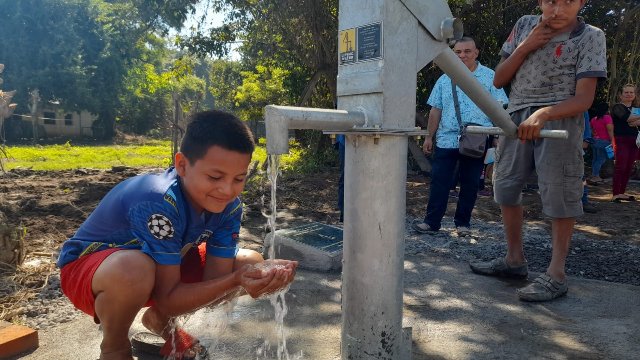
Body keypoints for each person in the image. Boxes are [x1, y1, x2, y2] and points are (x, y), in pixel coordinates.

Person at [56, 110, 298, 360]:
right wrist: (236, 280)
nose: (227, 190)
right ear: (182, 165)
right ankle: (114, 347)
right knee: (134, 268)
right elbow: (172, 295)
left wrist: (248, 278)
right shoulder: (158, 200)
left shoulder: (230, 205)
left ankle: (162, 321)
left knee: (251, 263)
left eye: (239, 178)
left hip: (159, 266)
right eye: (215, 177)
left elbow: (215, 279)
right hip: (93, 272)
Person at [470, 0, 607, 302]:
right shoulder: (524, 25)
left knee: (559, 194)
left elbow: (584, 99)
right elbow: (498, 78)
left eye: (567, 2)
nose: (557, 10)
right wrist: (526, 46)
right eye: (550, 2)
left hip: (560, 117)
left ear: (581, 2)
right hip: (515, 115)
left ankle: (557, 275)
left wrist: (545, 113)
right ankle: (514, 260)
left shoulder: (591, 35)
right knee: (504, 188)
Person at [413, 36, 508, 237]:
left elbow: (500, 108)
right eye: (458, 52)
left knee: (470, 183)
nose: (462, 55)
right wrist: (429, 137)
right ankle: (431, 222)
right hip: (447, 139)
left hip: (477, 139)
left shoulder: (490, 76)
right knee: (439, 181)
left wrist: (497, 136)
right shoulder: (445, 78)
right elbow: (435, 111)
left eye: (467, 51)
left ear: (476, 52)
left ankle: (463, 224)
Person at [610, 84, 640, 202]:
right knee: (620, 166)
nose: (629, 94)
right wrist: (635, 120)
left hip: (634, 141)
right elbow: (628, 119)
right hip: (621, 140)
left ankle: (622, 192)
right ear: (621, 95)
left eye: (631, 92)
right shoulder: (617, 107)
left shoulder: (636, 108)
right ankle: (615, 193)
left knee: (628, 167)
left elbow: (634, 122)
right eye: (626, 92)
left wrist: (636, 120)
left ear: (634, 94)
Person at [588, 102, 614, 185]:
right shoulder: (607, 118)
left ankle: (594, 175)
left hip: (594, 141)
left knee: (595, 159)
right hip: (604, 141)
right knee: (601, 159)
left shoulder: (594, 119)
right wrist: (613, 141)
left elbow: (590, 129)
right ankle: (595, 176)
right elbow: (610, 130)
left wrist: (594, 135)